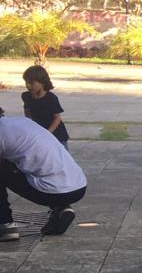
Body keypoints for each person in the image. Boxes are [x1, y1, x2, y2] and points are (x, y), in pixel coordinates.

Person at [0, 108, 85, 241]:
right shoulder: (23, 122)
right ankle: (61, 209)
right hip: (78, 185)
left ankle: (5, 224)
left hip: (52, 191)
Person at [22, 65, 69, 145]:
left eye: (31, 83)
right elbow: (28, 114)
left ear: (42, 82)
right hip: (39, 134)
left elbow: (57, 118)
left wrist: (47, 133)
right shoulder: (26, 96)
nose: (28, 85)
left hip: (57, 136)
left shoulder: (51, 98)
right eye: (26, 82)